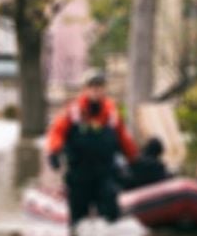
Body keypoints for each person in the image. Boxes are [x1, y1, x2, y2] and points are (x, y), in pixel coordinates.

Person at [46, 70, 138, 226]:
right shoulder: (73, 112)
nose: (96, 90)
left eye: (99, 86)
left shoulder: (111, 113)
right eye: (92, 86)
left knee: (111, 214)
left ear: (104, 89)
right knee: (77, 221)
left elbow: (124, 139)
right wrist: (54, 151)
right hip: (79, 174)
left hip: (105, 173)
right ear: (85, 89)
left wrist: (135, 160)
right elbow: (57, 132)